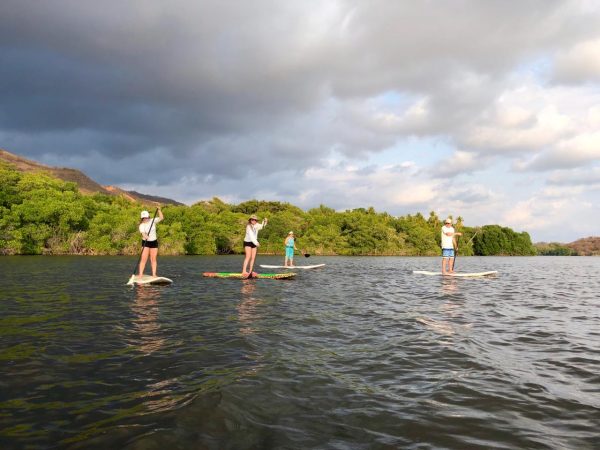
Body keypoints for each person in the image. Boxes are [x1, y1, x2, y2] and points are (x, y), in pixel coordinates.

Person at [138, 207, 164, 278]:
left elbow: (161, 218)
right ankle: (140, 274)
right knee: (144, 259)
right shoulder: (141, 225)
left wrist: (159, 210)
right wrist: (145, 236)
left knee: (153, 258)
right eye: (143, 218)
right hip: (145, 243)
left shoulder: (153, 220)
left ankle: (154, 274)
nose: (145, 219)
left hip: (154, 242)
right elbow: (143, 234)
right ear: (142, 218)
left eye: (146, 217)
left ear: (148, 216)